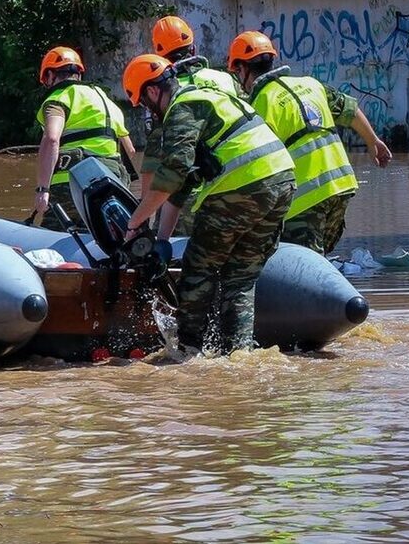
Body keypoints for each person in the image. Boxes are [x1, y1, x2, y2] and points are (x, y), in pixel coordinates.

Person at [121, 54, 296, 354]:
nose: (148, 112)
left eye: (144, 104)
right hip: (282, 181)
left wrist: (134, 223)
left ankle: (187, 352)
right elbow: (183, 183)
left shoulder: (181, 108)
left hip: (244, 184)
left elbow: (172, 172)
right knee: (240, 277)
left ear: (151, 91)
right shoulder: (212, 96)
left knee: (198, 269)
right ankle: (238, 354)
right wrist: (161, 240)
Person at [226, 30, 392, 255]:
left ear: (241, 69)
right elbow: (350, 111)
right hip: (342, 187)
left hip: (306, 198)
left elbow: (256, 168)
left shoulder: (259, 104)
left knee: (303, 265)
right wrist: (374, 142)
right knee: (318, 258)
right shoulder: (310, 84)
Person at [140, 15, 244, 233]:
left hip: (180, 198)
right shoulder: (225, 79)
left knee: (175, 259)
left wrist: (142, 215)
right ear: (193, 48)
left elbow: (154, 160)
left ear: (159, 56)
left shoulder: (165, 90)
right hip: (230, 186)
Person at [33, 45, 134, 231]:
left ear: (50, 76)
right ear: (78, 74)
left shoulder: (59, 98)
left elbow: (52, 139)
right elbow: (131, 151)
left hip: (73, 183)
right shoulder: (105, 100)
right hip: (113, 184)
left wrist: (43, 190)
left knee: (53, 238)